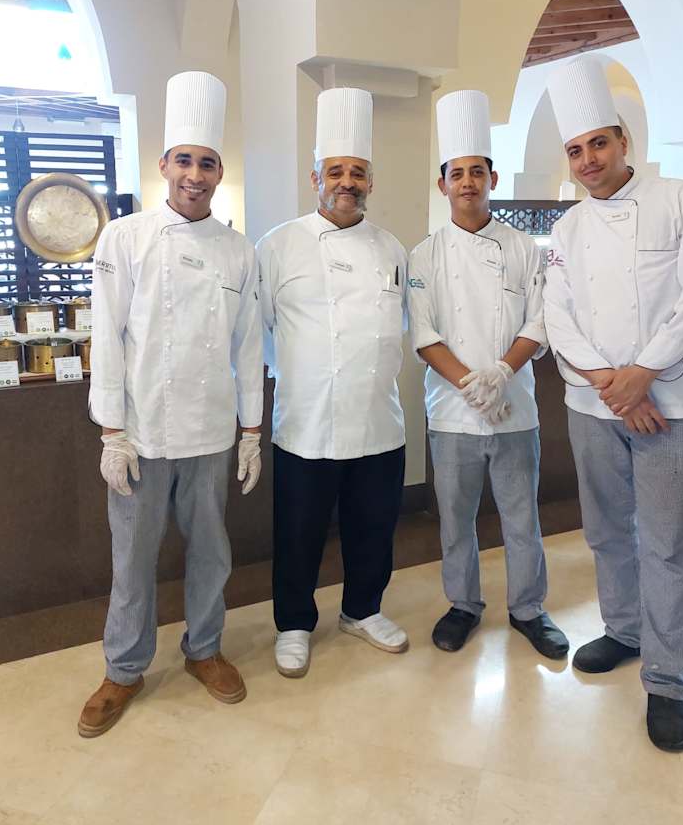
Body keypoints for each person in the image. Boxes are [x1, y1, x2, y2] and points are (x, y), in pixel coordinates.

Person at [544, 56, 683, 752]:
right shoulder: (568, 229)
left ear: (624, 142)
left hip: (674, 407)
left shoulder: (680, 198)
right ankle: (623, 630)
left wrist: (643, 374)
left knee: (671, 545)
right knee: (607, 532)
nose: (588, 160)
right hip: (596, 410)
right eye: (575, 149)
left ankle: (667, 680)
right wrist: (615, 387)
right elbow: (559, 315)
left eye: (599, 143)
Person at [79, 71, 263, 737]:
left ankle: (204, 649)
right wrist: (111, 432)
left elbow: (248, 343)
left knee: (211, 550)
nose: (194, 174)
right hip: (142, 433)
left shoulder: (238, 251)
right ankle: (123, 669)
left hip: (211, 432)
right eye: (184, 160)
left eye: (206, 163)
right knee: (132, 559)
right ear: (163, 166)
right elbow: (107, 337)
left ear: (219, 173)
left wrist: (251, 430)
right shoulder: (124, 238)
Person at [407, 89, 569, 659]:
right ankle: (463, 604)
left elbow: (540, 320)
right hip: (452, 413)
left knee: (522, 517)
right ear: (443, 184)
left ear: (492, 179)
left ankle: (529, 609)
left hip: (515, 408)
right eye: (457, 173)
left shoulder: (524, 248)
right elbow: (424, 333)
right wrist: (471, 386)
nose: (468, 182)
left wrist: (500, 371)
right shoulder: (424, 255)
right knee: (456, 519)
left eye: (477, 172)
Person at [256, 87, 409, 678]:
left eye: (358, 172)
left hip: (377, 417)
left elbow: (399, 325)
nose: (348, 182)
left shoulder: (391, 248)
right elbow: (259, 328)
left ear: (371, 181)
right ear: (315, 177)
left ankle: (363, 609)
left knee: (374, 525)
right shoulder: (279, 244)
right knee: (299, 530)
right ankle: (294, 622)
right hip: (307, 418)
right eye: (336, 171)